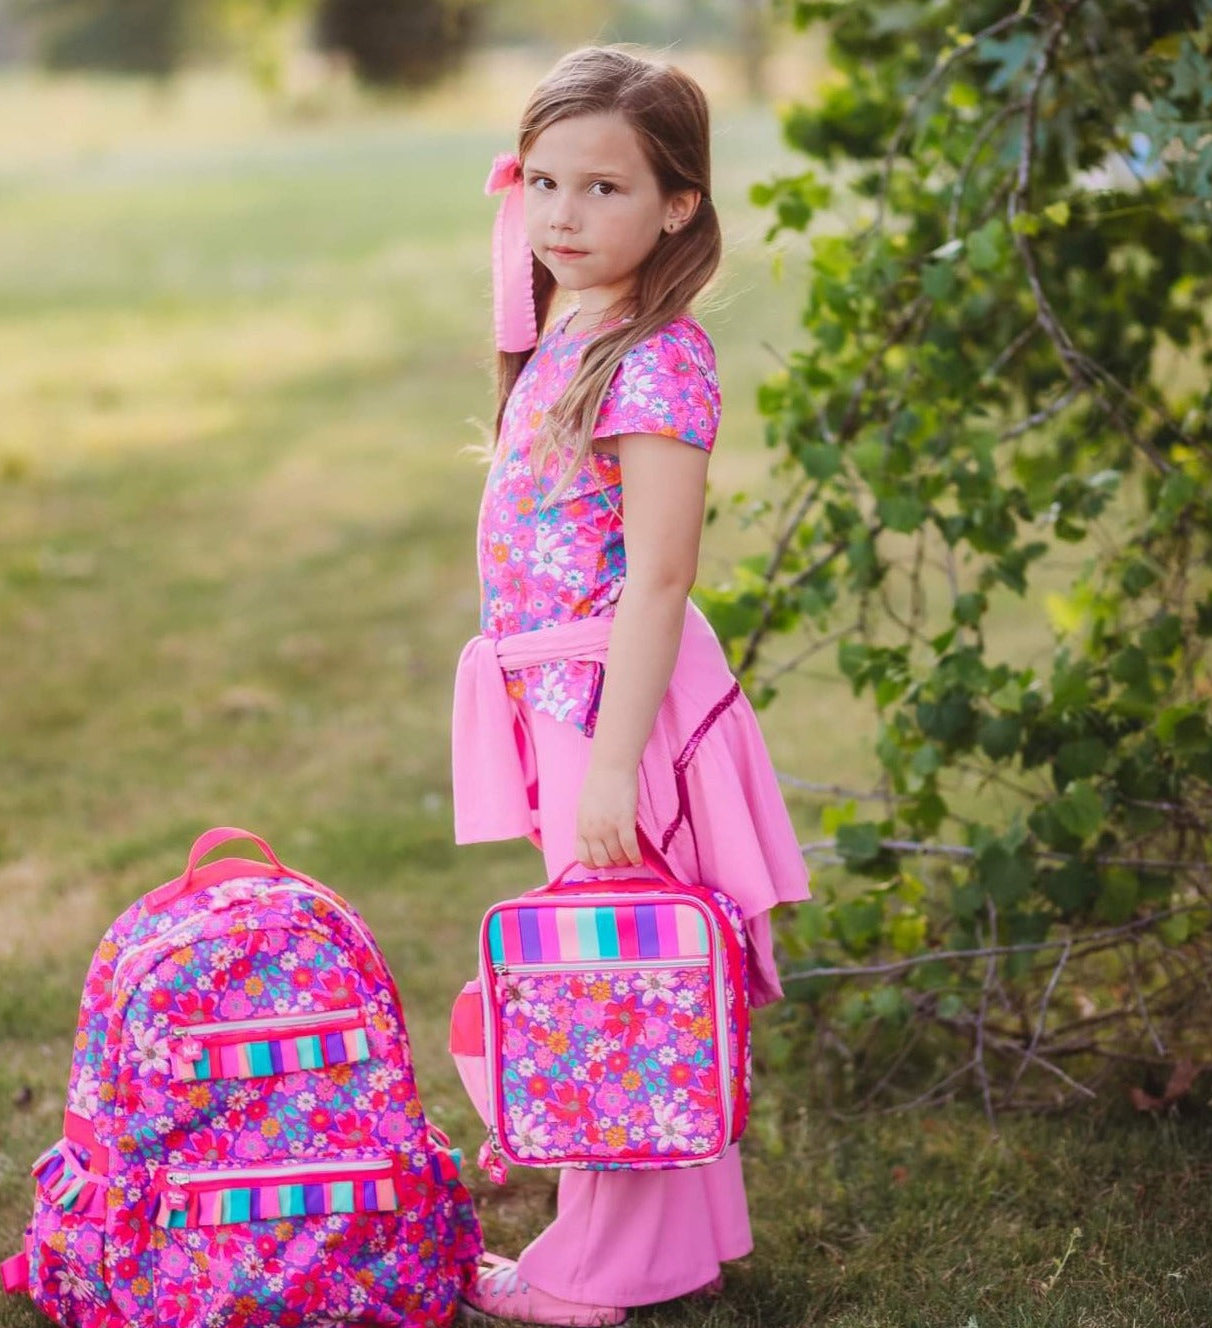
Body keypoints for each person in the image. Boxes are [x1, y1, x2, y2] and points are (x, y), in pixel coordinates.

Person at [448, 45, 811, 1327]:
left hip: (617, 703)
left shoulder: (655, 358)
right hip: (561, 697)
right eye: (542, 181)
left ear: (677, 206)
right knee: (626, 966)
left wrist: (609, 759)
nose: (560, 214)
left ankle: (587, 1271)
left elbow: (656, 578)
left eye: (603, 188)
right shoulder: (573, 330)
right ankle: (667, 1237)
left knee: (611, 977)